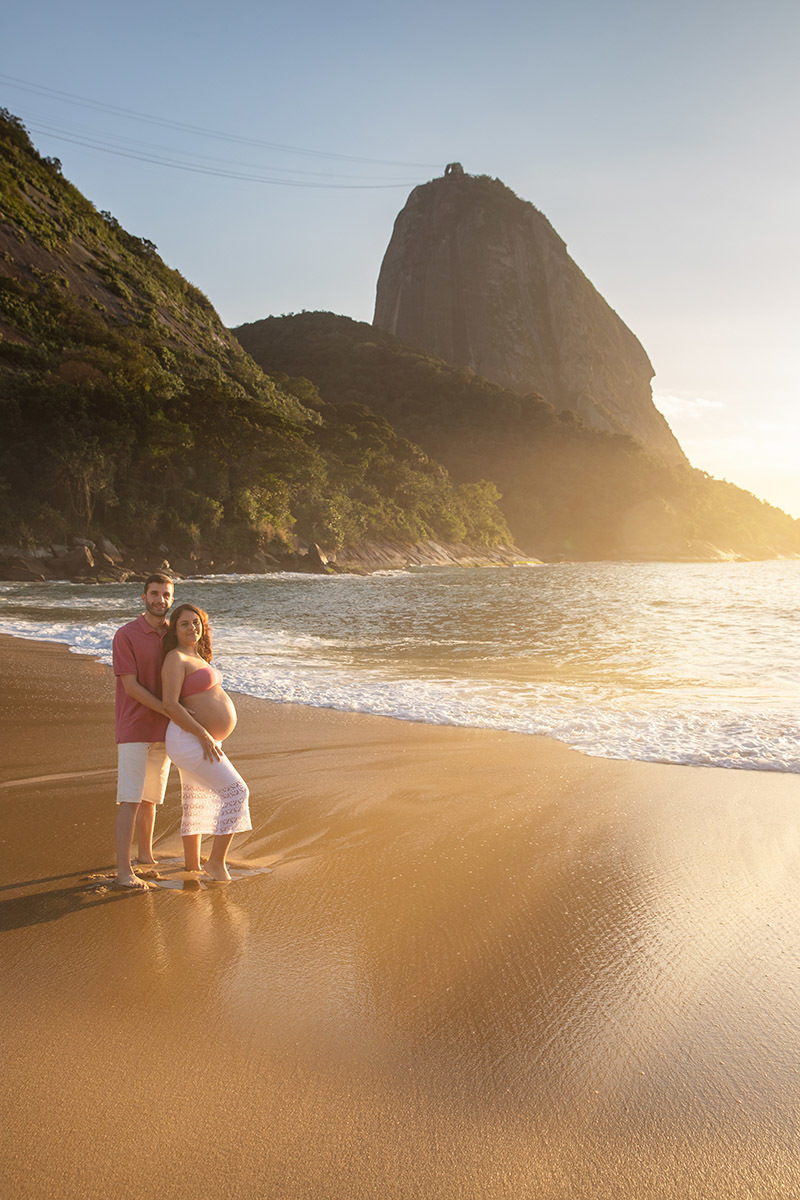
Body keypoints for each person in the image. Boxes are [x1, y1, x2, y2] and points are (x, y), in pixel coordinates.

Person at [161, 603, 251, 881]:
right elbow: (170, 704)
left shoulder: (196, 656)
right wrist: (203, 734)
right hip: (190, 739)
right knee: (237, 792)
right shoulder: (175, 658)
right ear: (175, 630)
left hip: (200, 738)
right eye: (185, 623)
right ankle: (215, 863)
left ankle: (192, 864)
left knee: (195, 799)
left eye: (196, 623)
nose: (192, 628)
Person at [113, 572, 174, 889]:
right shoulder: (125, 635)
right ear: (143, 597)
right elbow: (131, 687)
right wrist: (168, 709)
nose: (160, 600)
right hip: (134, 728)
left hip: (164, 732)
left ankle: (145, 856)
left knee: (151, 799)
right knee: (130, 800)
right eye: (154, 594)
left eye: (166, 595)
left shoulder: (173, 635)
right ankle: (124, 872)